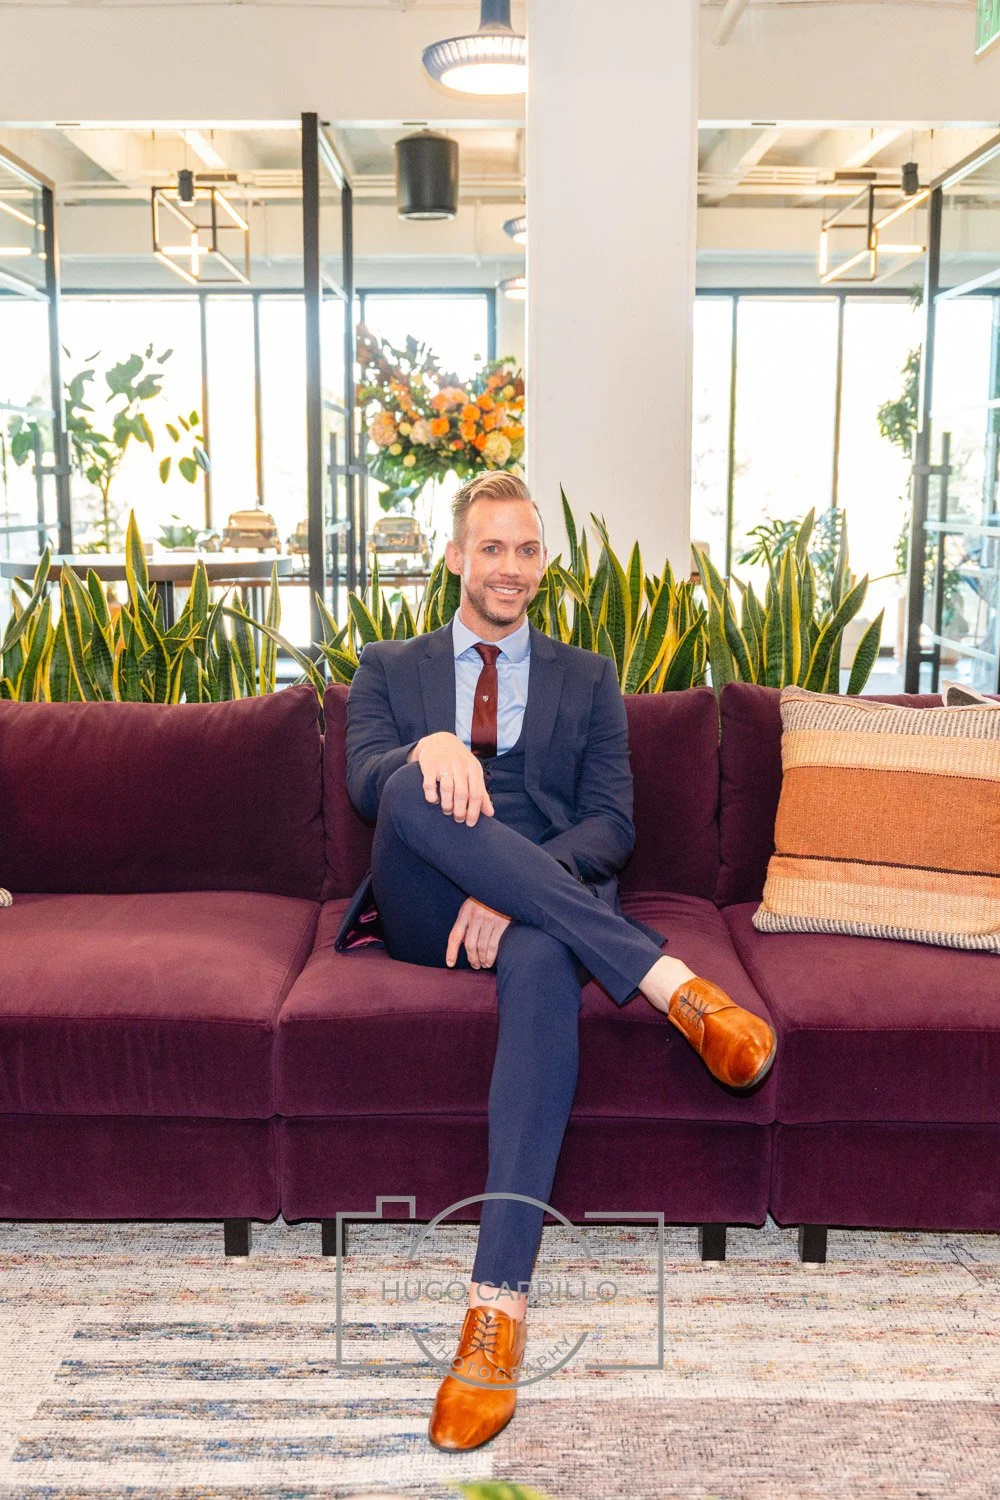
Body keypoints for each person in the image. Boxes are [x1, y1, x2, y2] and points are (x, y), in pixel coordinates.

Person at [335, 470, 776, 1453]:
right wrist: (430, 747)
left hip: (542, 905)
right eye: (492, 547)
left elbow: (612, 824)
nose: (511, 567)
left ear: (544, 563)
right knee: (407, 786)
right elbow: (366, 783)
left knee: (540, 952)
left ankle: (496, 1312)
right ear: (456, 557)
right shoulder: (389, 666)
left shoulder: (588, 675)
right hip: (426, 898)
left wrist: (515, 890)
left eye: (527, 550)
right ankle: (668, 983)